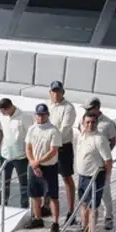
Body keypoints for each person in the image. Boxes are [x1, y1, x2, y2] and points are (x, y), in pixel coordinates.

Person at [73, 111, 113, 232]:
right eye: (87, 122)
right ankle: (84, 228)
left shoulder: (100, 139)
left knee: (92, 207)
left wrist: (106, 177)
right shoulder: (81, 136)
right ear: (83, 123)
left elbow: (108, 160)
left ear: (97, 123)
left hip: (95, 177)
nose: (90, 125)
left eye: (93, 122)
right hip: (82, 176)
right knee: (83, 204)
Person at [24, 103, 62, 232]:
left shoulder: (53, 130)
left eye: (43, 114)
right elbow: (28, 147)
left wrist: (37, 162)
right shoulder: (32, 129)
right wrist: (32, 163)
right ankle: (37, 219)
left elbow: (53, 151)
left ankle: (55, 223)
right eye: (38, 114)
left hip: (49, 167)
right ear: (35, 115)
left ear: (47, 115)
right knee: (35, 194)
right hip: (34, 166)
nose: (40, 117)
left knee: (52, 196)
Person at [85, 98, 116, 229]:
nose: (87, 111)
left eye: (89, 109)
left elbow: (113, 141)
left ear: (97, 108)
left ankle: (108, 216)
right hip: (88, 164)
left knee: (105, 190)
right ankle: (88, 221)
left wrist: (104, 155)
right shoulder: (84, 120)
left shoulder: (108, 123)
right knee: (87, 192)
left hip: (102, 163)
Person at [48, 80, 78, 219]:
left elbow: (65, 128)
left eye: (58, 91)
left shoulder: (69, 108)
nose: (56, 94)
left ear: (63, 92)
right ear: (50, 92)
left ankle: (71, 211)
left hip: (63, 147)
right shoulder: (48, 105)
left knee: (66, 177)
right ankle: (47, 206)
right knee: (47, 176)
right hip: (49, 146)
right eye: (54, 91)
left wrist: (53, 143)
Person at [0, 98, 30, 208]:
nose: (2, 114)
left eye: (3, 111)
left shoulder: (24, 117)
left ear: (9, 108)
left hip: (20, 156)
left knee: (23, 183)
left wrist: (30, 154)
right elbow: (1, 130)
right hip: (5, 155)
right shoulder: (2, 116)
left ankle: (24, 205)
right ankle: (2, 205)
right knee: (4, 182)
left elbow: (30, 136)